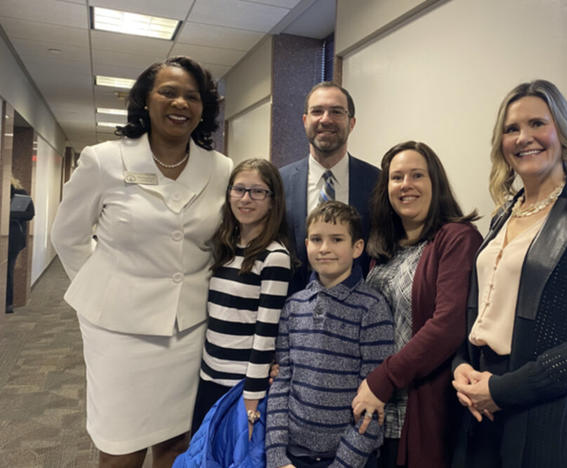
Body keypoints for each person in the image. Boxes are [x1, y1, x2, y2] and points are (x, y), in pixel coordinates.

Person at [51, 56, 233, 468]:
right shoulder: (103, 160)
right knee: (121, 447)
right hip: (119, 331)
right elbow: (68, 235)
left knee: (178, 445)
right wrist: (107, 287)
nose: (180, 103)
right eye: (168, 92)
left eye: (192, 96)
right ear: (145, 101)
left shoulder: (220, 168)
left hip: (189, 328)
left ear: (203, 109)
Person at [451, 79, 567, 468]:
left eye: (537, 124)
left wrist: (504, 389)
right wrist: (461, 366)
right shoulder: (503, 215)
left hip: (547, 413)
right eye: (511, 128)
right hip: (482, 404)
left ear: (563, 133)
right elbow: (482, 312)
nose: (524, 137)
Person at [351, 141, 483, 468]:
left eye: (416, 175)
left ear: (434, 182)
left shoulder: (457, 238)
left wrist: (382, 380)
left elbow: (447, 326)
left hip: (421, 408)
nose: (406, 185)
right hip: (375, 410)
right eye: (397, 177)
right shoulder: (383, 247)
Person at [265, 201, 394, 468]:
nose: (324, 248)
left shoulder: (372, 308)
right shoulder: (293, 306)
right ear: (306, 244)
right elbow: (281, 384)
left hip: (349, 458)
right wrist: (277, 457)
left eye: (336, 239)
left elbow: (373, 399)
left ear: (357, 247)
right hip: (293, 457)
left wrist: (344, 463)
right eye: (316, 239)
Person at [191, 158, 292, 436]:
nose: (246, 199)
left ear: (273, 201)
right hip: (209, 376)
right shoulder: (224, 248)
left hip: (240, 385)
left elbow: (265, 332)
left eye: (258, 191)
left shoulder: (275, 257)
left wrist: (253, 393)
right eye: (239, 189)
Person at [280, 82, 380, 293]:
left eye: (336, 112)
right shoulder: (279, 182)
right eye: (317, 111)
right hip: (289, 315)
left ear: (351, 123)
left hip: (358, 315)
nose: (326, 119)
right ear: (305, 120)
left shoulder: (377, 182)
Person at [7, 176, 35, 313]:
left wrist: (9, 214)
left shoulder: (20, 193)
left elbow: (30, 213)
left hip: (13, 237)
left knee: (8, 270)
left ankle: (8, 303)